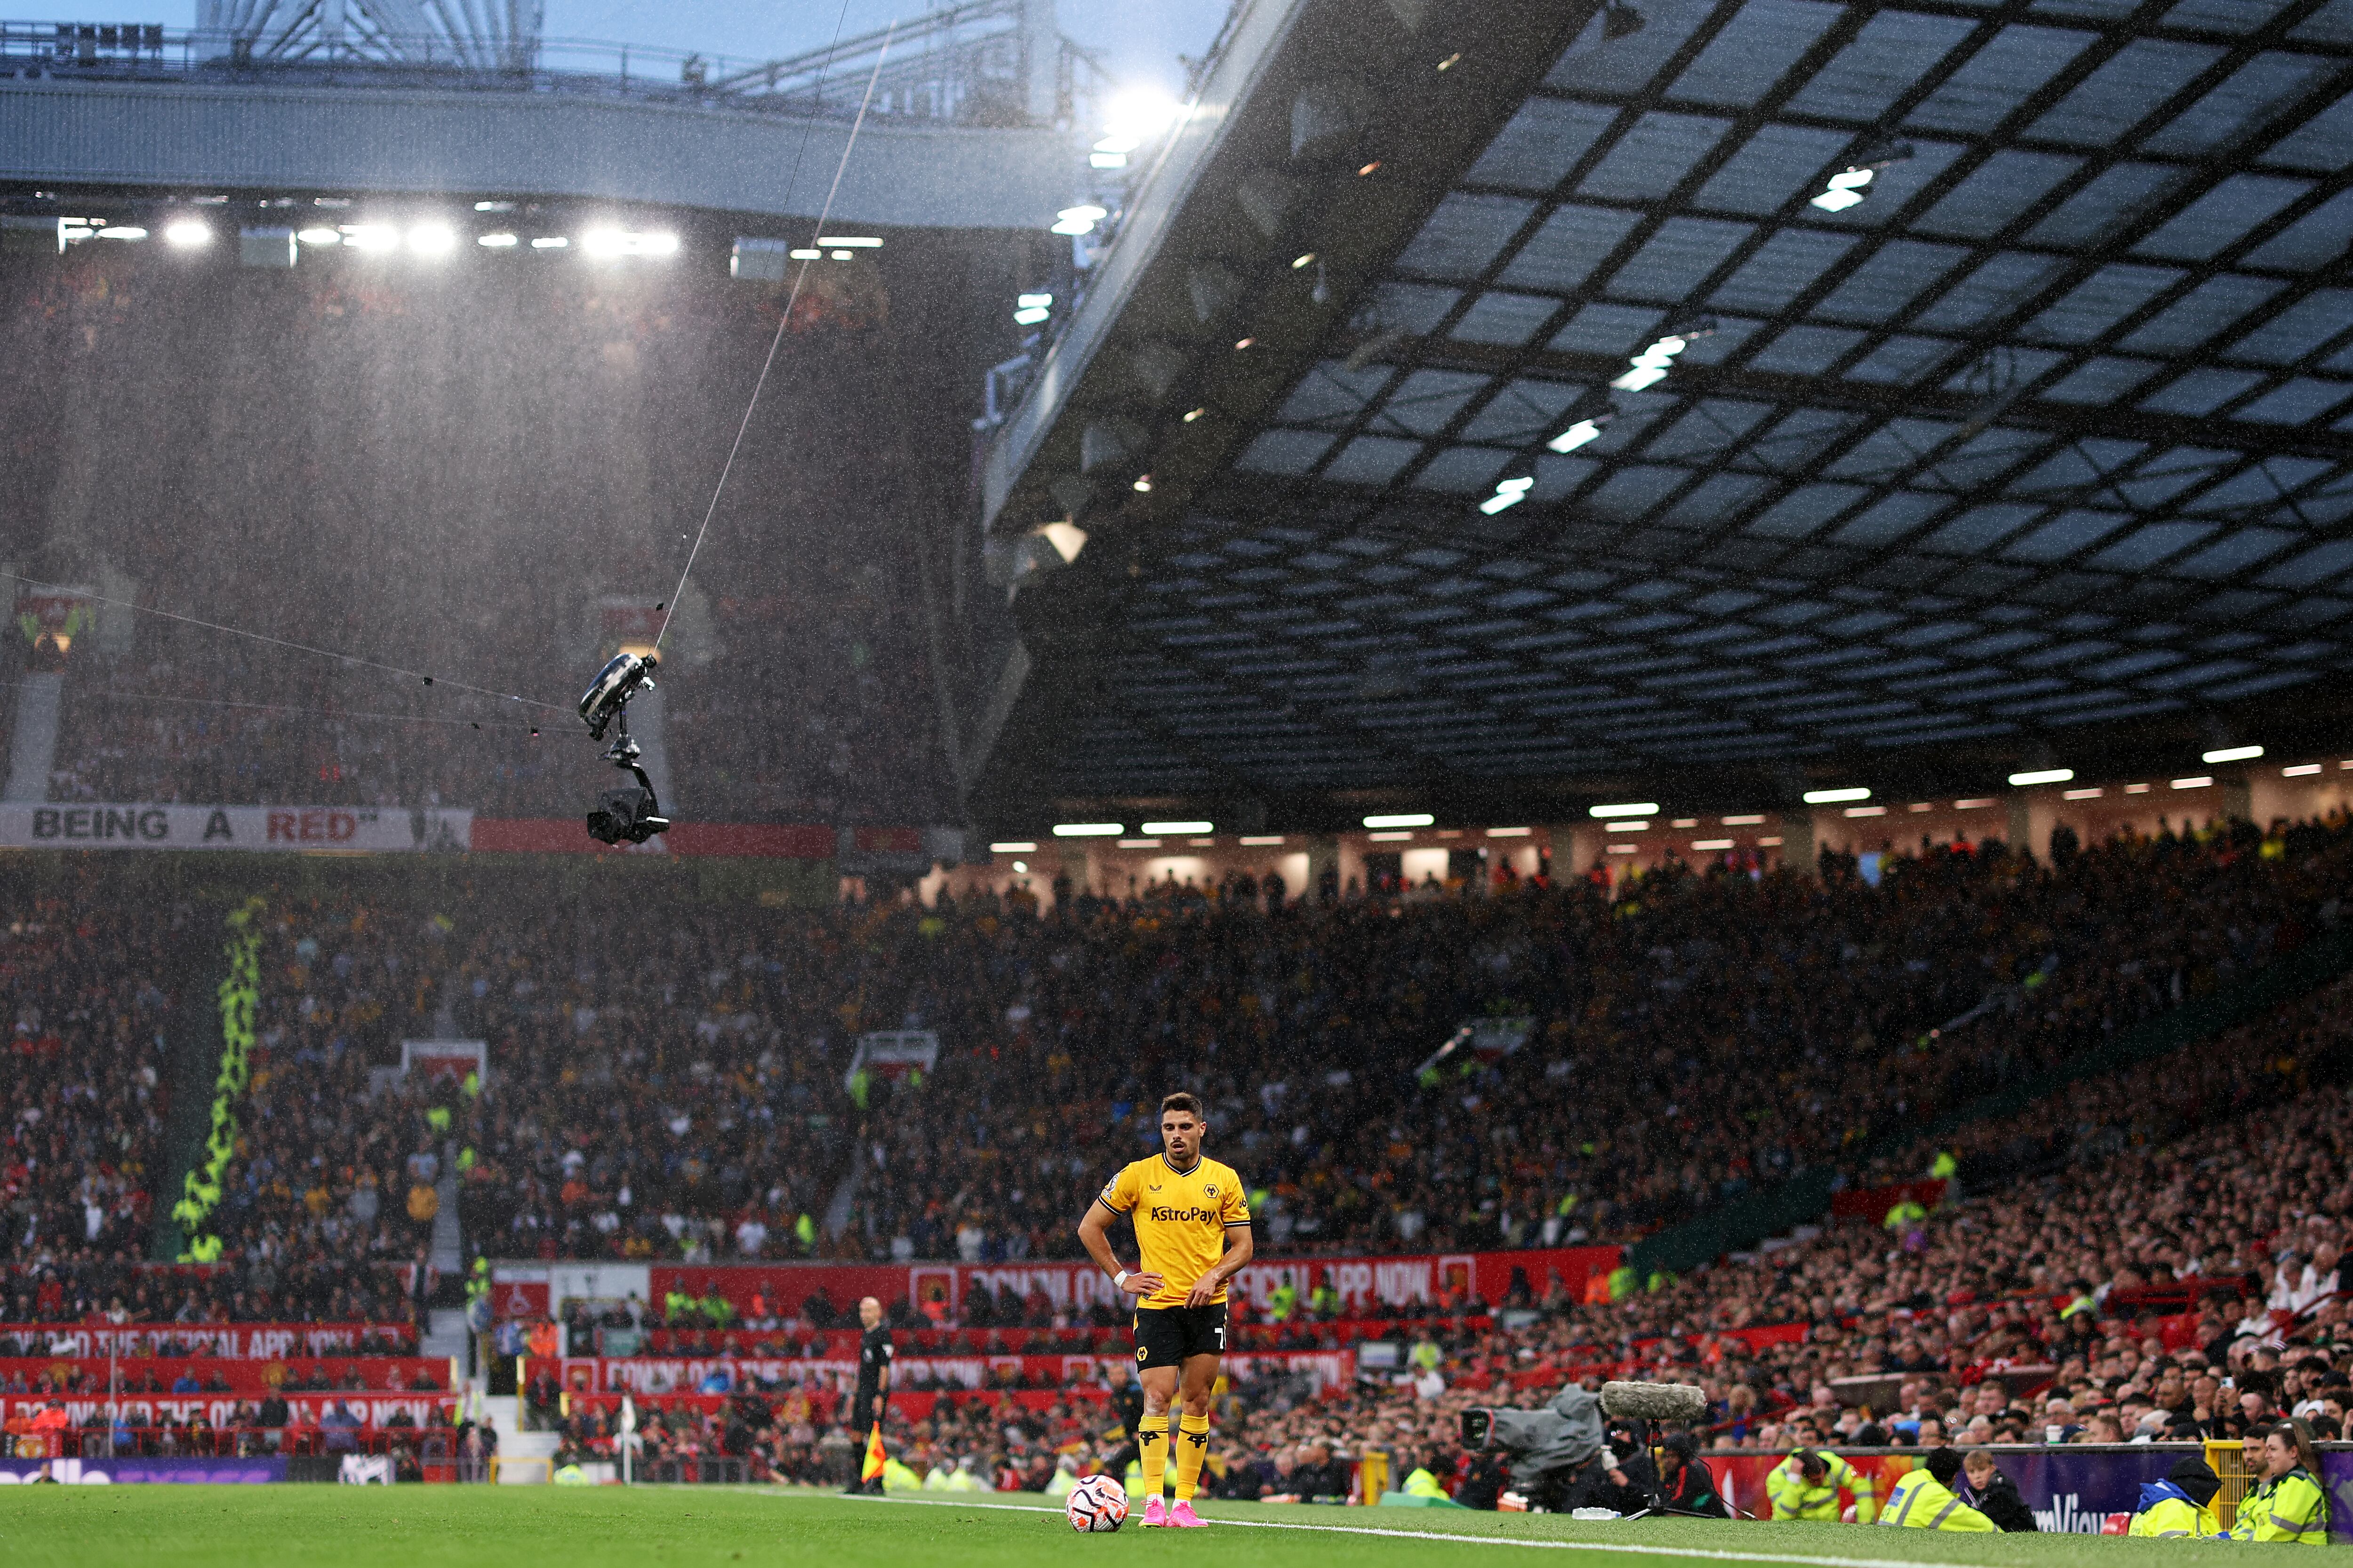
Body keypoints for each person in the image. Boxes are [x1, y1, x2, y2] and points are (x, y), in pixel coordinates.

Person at [1076, 1090, 1254, 1529]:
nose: (1177, 1135)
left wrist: (1215, 1274)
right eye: (1169, 1128)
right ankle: (1154, 1502)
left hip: (1208, 1306)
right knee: (1157, 1398)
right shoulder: (1138, 1176)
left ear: (1201, 1129)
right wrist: (1121, 1278)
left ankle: (1185, 1505)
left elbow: (1244, 1246)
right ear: (1162, 1131)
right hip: (1157, 1306)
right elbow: (1089, 1227)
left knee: (1196, 1401)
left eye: (1185, 1127)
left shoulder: (1224, 1179)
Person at [2226, 1420, 2329, 1544]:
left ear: (2293, 1452)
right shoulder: (2279, 1483)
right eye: (2267, 1449)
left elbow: (2279, 1531)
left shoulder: (2299, 1483)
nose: (2267, 1455)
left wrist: (2243, 1542)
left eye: (2273, 1449)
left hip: (2305, 1557)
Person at [840, 1296, 891, 1496]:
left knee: (874, 1435)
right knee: (856, 1434)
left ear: (879, 1312)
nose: (864, 1315)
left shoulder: (883, 1335)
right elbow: (863, 1368)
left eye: (869, 1311)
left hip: (873, 1393)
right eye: (862, 1311)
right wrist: (854, 1393)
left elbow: (885, 1368)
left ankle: (878, 1482)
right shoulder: (866, 1335)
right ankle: (860, 1479)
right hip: (862, 1392)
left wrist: (880, 1394)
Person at [1878, 1449, 1996, 1531]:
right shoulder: (1935, 1494)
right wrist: (1999, 1532)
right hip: (1902, 1548)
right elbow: (1977, 1524)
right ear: (1954, 1476)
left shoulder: (1910, 1478)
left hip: (1883, 1539)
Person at [1766, 1446, 1878, 1523]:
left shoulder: (1830, 1462)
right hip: (1797, 1534)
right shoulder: (1777, 1478)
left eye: (1822, 1477)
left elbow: (1862, 1485)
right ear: (1803, 1476)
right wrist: (1793, 1482)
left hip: (1833, 1530)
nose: (1820, 1481)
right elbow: (1783, 1518)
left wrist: (1866, 1522)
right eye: (1815, 1480)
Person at [2129, 1454, 2224, 1538]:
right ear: (2193, 1483)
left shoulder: (2156, 1503)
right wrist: (2218, 1539)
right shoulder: (2174, 1507)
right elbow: (2174, 1547)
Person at [1957, 1449, 2037, 1532]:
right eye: (1971, 1472)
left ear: (1993, 1468)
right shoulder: (1970, 1494)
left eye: (1982, 1470)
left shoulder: (2003, 1489)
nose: (1977, 1476)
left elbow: (1989, 1520)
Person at [1656, 1433, 1729, 1517]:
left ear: (1681, 1456)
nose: (1668, 1460)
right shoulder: (1672, 1473)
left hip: (1711, 1515)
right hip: (1697, 1514)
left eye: (1672, 1456)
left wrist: (1663, 1508)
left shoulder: (1687, 1469)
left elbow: (1682, 1501)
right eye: (1666, 1456)